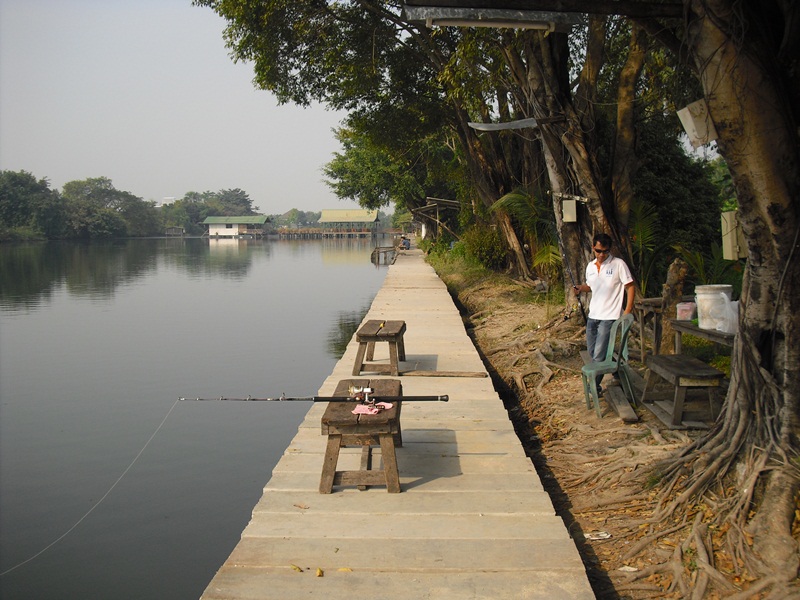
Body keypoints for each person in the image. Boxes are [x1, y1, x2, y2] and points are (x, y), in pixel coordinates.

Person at [572, 233, 635, 392]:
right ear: (593, 248)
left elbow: (630, 286)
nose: (601, 255)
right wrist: (580, 288)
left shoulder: (618, 264)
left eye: (605, 251)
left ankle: (594, 387)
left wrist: (627, 311)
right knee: (593, 352)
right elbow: (591, 287)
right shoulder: (590, 266)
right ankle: (617, 371)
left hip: (610, 317)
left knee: (598, 356)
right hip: (593, 316)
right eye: (598, 251)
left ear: (609, 250)